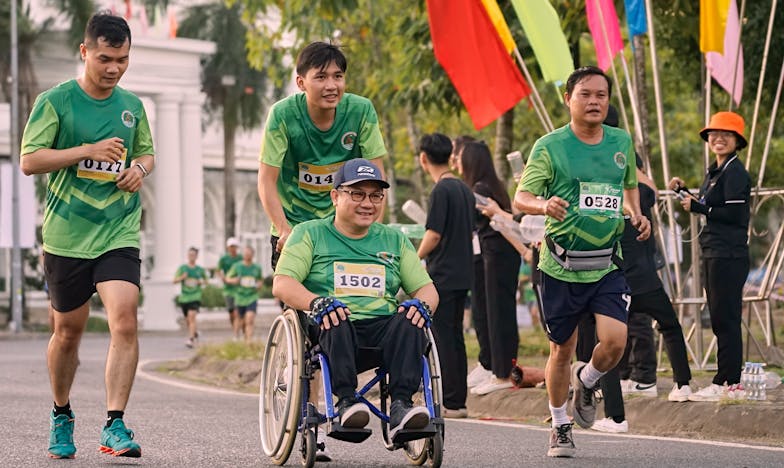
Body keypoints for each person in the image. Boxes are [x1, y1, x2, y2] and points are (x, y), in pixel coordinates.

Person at [20, 12, 153, 459]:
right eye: (105, 58)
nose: (113, 68)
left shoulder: (132, 107)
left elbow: (147, 154)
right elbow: (30, 160)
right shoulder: (55, 102)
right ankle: (62, 413)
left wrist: (138, 169)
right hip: (66, 236)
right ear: (84, 52)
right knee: (68, 333)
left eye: (122, 59)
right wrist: (87, 151)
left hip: (118, 230)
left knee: (125, 319)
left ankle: (114, 425)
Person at [514, 66, 650, 458]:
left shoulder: (620, 140)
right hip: (560, 266)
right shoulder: (550, 146)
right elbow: (521, 197)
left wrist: (636, 214)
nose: (594, 102)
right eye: (586, 94)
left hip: (606, 263)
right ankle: (559, 425)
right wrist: (544, 204)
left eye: (601, 96)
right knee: (562, 349)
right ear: (568, 100)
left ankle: (586, 381)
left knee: (615, 342)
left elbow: (627, 186)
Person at [273, 158, 439, 442]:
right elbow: (283, 283)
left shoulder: (393, 240)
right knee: (335, 314)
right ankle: (347, 402)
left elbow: (427, 289)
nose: (368, 203)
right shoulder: (309, 233)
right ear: (335, 196)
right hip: (332, 328)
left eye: (376, 195)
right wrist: (316, 302)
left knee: (412, 317)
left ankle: (402, 406)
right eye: (357, 194)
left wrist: (422, 305)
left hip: (382, 330)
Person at [258, 41, 387, 271]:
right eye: (321, 77)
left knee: (353, 305)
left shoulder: (361, 110)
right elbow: (266, 181)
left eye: (338, 76)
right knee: (296, 303)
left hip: (344, 229)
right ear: (301, 83)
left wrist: (373, 233)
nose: (331, 85)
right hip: (295, 230)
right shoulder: (282, 115)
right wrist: (284, 229)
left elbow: (378, 178)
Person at [668, 111, 751, 401]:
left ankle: (729, 382)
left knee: (725, 318)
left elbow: (735, 214)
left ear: (737, 141)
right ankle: (726, 379)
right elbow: (705, 204)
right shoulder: (715, 171)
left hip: (729, 254)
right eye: (713, 134)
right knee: (718, 317)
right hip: (714, 251)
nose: (718, 138)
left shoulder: (736, 172)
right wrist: (683, 192)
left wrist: (699, 208)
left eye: (725, 134)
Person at [416, 133, 475, 419]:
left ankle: (449, 401)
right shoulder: (464, 188)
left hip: (443, 273)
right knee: (455, 337)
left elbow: (434, 234)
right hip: (463, 272)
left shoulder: (441, 190)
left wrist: (413, 260)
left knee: (441, 337)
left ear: (423, 158)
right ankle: (457, 401)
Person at [457, 141, 521, 395]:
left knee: (497, 314)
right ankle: (500, 368)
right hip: (498, 254)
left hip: (496, 254)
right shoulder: (491, 186)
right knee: (499, 313)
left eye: (461, 158)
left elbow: (496, 224)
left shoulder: (480, 190)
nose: (458, 162)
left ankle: (501, 373)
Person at [225, 246, 263, 344]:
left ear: (252, 255)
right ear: (243, 255)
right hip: (240, 296)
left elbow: (260, 280)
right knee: (239, 319)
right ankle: (236, 336)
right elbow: (228, 278)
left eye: (249, 254)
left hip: (252, 296)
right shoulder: (237, 266)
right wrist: (235, 280)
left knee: (249, 319)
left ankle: (248, 341)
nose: (247, 256)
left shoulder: (257, 268)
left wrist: (258, 285)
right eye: (245, 254)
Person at [174, 247, 208, 348]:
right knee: (188, 320)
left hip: (195, 296)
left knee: (192, 317)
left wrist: (200, 282)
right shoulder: (182, 268)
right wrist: (182, 278)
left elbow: (206, 281)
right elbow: (174, 280)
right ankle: (195, 333)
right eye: (190, 255)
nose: (191, 256)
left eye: (193, 255)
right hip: (185, 298)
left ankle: (191, 339)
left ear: (197, 256)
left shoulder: (200, 270)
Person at [217, 237, 243, 340]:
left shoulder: (241, 258)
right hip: (228, 289)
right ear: (228, 247)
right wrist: (222, 277)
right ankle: (235, 328)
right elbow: (218, 270)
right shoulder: (223, 259)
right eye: (231, 246)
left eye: (235, 246)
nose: (233, 248)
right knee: (231, 313)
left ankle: (236, 334)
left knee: (237, 312)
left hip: (239, 289)